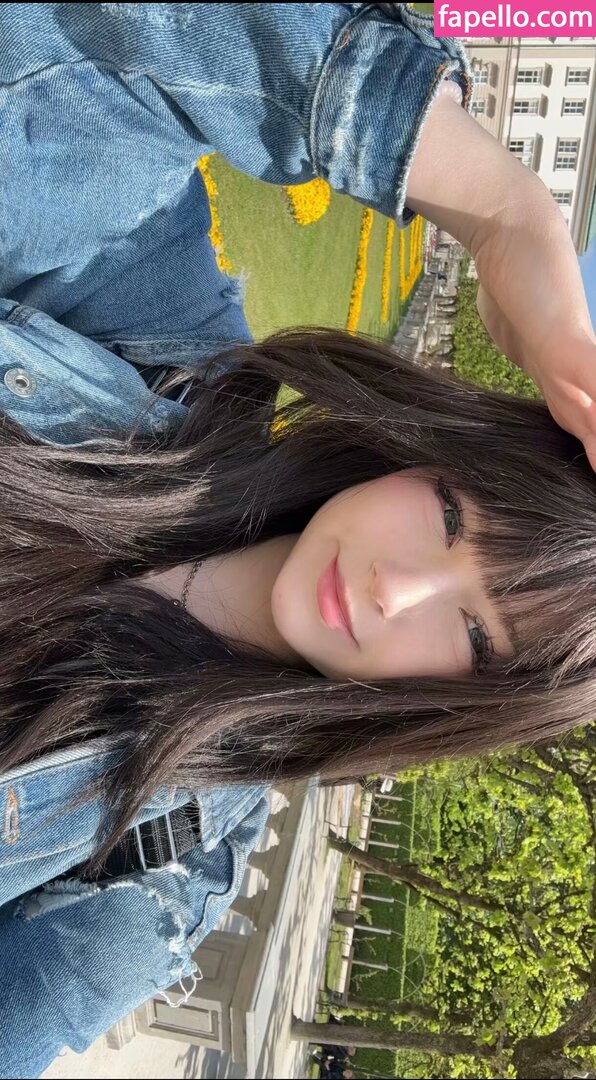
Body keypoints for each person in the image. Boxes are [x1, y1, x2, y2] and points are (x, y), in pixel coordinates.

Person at [0, 4, 594, 1077]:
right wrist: (506, 214)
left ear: (464, 705)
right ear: (428, 455)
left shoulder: (154, 875)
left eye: (473, 635)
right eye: (450, 520)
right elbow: (95, 51)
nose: (394, 591)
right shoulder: (158, 345)